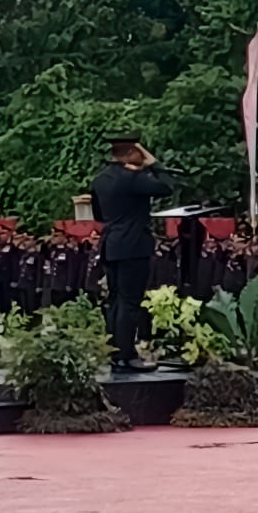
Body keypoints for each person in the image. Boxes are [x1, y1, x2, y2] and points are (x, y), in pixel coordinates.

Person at [89, 133, 175, 371]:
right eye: (140, 150)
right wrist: (154, 164)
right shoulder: (131, 179)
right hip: (133, 245)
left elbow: (98, 215)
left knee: (116, 300)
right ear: (129, 153)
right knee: (130, 302)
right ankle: (126, 355)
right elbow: (166, 187)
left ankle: (113, 352)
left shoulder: (100, 179)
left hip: (111, 244)